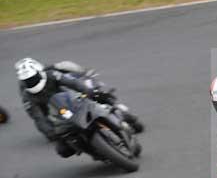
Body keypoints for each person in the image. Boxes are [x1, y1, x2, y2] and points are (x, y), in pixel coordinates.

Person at [15, 58, 143, 157]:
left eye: (32, 78)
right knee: (63, 150)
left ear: (39, 71)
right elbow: (37, 117)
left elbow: (72, 83)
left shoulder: (51, 74)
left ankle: (123, 117)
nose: (31, 82)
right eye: (27, 80)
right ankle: (93, 151)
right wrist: (51, 133)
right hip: (57, 113)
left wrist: (90, 92)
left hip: (72, 99)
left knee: (102, 99)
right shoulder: (27, 96)